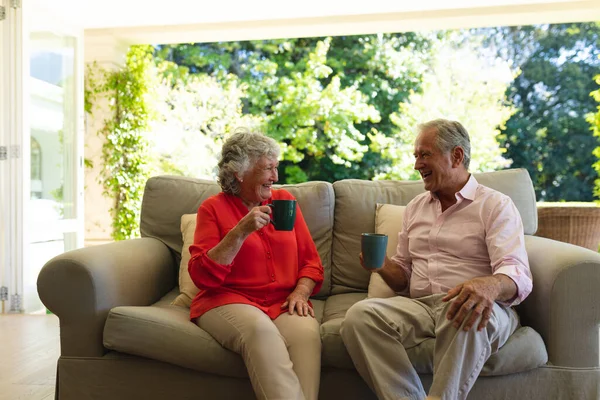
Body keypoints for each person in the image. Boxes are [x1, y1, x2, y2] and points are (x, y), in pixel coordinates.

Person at [341, 119, 533, 400]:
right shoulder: (416, 207)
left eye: (424, 154)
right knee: (359, 317)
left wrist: (489, 286)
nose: (417, 164)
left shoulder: (495, 205)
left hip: (479, 306)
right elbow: (403, 276)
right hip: (421, 306)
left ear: (456, 156)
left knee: (465, 307)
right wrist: (381, 266)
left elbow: (516, 272)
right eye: (416, 156)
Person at [188, 128, 324, 400]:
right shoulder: (212, 209)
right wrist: (240, 231)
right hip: (228, 299)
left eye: (276, 168)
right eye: (268, 169)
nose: (276, 177)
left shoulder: (285, 201)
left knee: (306, 336)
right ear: (239, 173)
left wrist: (300, 292)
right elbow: (202, 276)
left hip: (283, 301)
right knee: (261, 332)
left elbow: (311, 263)